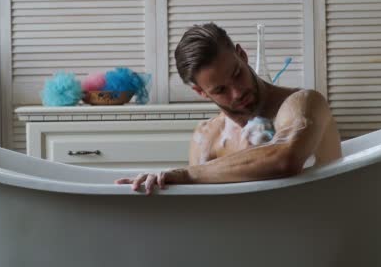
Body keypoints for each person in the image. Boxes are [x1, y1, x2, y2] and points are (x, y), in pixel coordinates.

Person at [115, 23, 342, 194]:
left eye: (237, 74)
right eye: (220, 89)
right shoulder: (206, 137)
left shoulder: (303, 103)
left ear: (242, 55)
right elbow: (204, 209)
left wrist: (184, 174)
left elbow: (284, 159)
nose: (237, 92)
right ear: (201, 92)